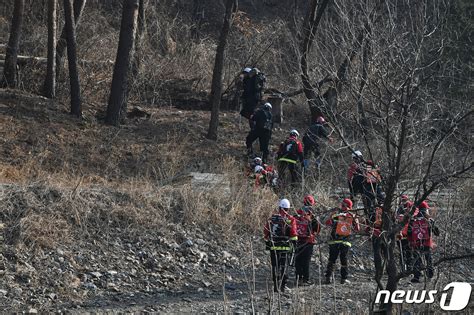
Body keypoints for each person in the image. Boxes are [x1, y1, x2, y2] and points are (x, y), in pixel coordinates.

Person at [264, 199, 298, 293]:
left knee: (275, 266)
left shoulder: (272, 218)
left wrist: (268, 241)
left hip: (273, 247)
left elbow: (266, 231)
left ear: (279, 207)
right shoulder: (291, 219)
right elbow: (294, 234)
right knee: (284, 266)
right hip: (285, 246)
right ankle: (283, 286)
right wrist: (294, 246)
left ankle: (275, 286)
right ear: (288, 208)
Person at [324, 198, 360, 284]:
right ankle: (339, 278)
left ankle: (333, 278)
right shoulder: (350, 215)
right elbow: (357, 229)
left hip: (338, 241)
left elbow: (328, 223)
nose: (342, 206)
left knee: (334, 259)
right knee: (340, 260)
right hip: (341, 241)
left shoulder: (340, 215)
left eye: (343, 205)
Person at [407, 201, 439, 283]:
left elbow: (409, 233)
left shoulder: (413, 219)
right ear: (425, 209)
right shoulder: (429, 220)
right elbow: (437, 233)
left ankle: (417, 276)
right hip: (427, 243)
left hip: (415, 243)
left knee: (417, 260)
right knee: (428, 259)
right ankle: (430, 275)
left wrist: (410, 242)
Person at [294, 195, 321, 285]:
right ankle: (306, 280)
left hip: (297, 240)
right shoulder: (312, 214)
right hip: (309, 240)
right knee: (306, 261)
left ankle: (298, 279)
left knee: (298, 260)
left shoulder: (298, 212)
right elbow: (317, 228)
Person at [396, 195, 413, 272]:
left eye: (404, 200)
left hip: (409, 234)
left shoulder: (411, 207)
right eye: (402, 200)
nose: (403, 202)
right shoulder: (399, 208)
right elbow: (397, 218)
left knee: (409, 252)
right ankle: (403, 267)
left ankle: (410, 267)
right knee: (402, 252)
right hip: (401, 233)